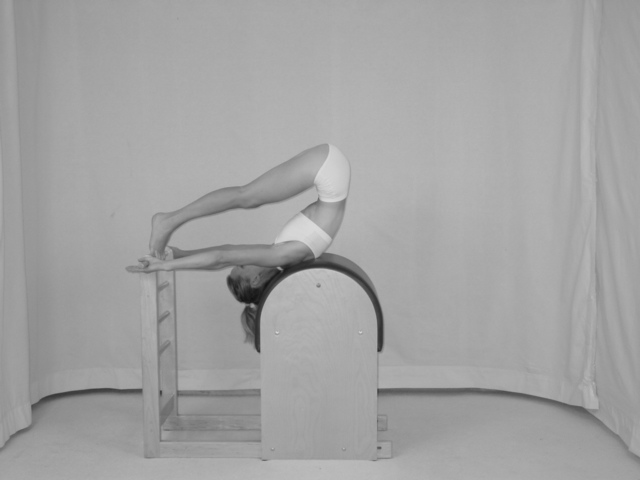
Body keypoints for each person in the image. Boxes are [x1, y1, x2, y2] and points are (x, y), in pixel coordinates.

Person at [126, 143, 350, 341]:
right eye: (241, 266)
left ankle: (168, 221)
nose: (241, 260)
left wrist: (180, 255)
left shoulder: (284, 259)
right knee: (245, 196)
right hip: (327, 169)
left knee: (248, 197)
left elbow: (224, 254)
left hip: (329, 170)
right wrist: (165, 266)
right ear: (256, 280)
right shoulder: (282, 256)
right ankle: (168, 221)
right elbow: (222, 257)